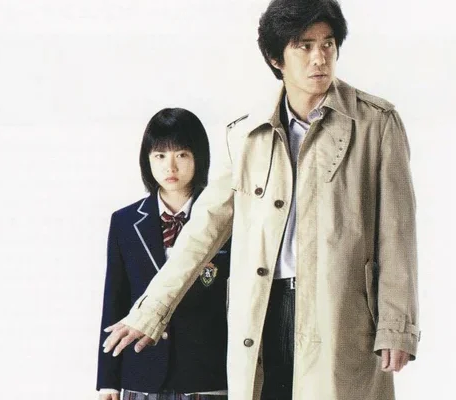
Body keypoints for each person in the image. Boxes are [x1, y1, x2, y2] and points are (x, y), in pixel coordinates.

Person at [102, 1, 420, 399]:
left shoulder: (375, 123)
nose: (320, 58)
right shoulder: (245, 134)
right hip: (261, 308)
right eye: (304, 46)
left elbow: (397, 233)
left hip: (340, 311)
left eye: (328, 44)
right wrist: (151, 309)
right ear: (276, 58)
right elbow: (204, 229)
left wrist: (396, 325)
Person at [97, 108, 231, 400]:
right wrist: (108, 381)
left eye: (182, 154)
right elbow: (115, 300)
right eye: (159, 155)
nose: (170, 166)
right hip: (141, 373)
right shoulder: (125, 221)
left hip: (206, 375)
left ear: (199, 157)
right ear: (147, 160)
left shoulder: (225, 219)